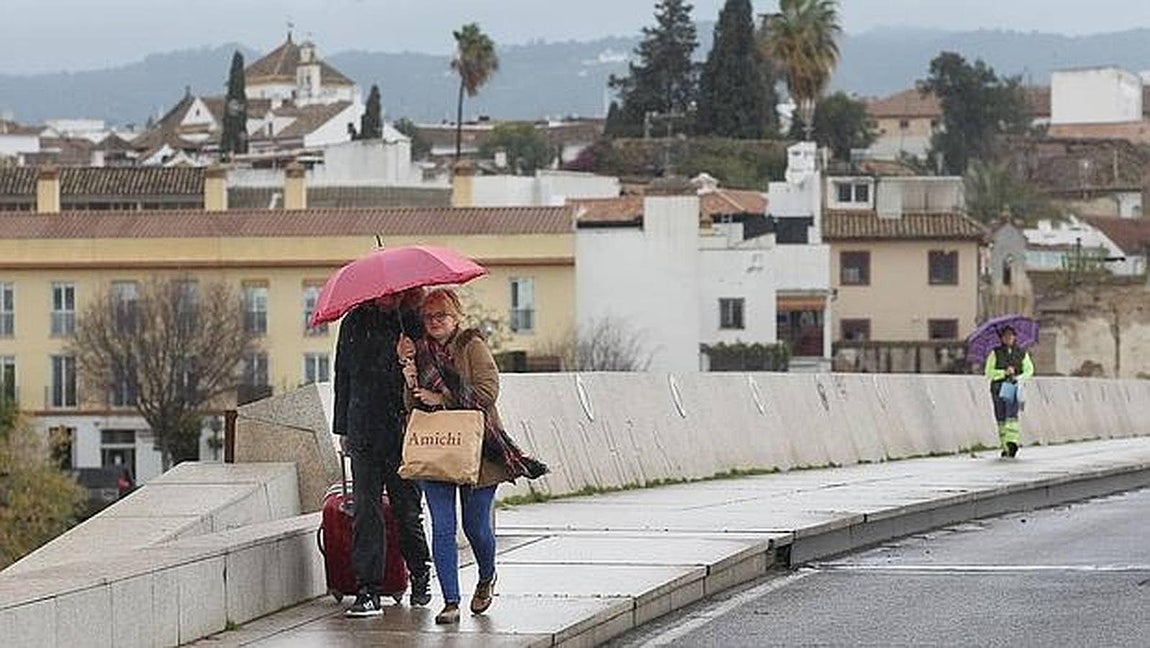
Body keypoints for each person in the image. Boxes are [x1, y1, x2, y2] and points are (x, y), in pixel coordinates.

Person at [401, 288, 547, 625]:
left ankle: (486, 575)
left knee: (476, 527)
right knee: (442, 527)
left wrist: (443, 398)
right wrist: (408, 377)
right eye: (428, 316)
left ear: (456, 317)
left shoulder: (472, 346)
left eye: (441, 315)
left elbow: (487, 393)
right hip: (436, 449)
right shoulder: (418, 351)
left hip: (480, 450)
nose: (434, 322)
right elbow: (412, 407)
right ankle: (450, 601)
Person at [332, 289, 432, 617]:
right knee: (366, 510)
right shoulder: (354, 322)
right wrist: (343, 428)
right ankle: (368, 590)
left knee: (407, 509)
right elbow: (343, 375)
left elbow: (429, 375)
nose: (386, 299)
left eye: (393, 295)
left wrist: (408, 358)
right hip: (363, 427)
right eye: (381, 295)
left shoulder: (413, 321)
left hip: (402, 429)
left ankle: (419, 573)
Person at [984, 325, 1034, 458]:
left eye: (1011, 336)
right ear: (1001, 338)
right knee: (1000, 416)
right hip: (998, 387)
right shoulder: (995, 353)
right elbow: (989, 372)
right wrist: (1003, 373)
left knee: (1011, 415)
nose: (1008, 338)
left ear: (1015, 337)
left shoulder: (1021, 353)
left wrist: (1018, 377)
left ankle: (1012, 442)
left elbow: (1029, 370)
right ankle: (1005, 446)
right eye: (1006, 336)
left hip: (1011, 386)